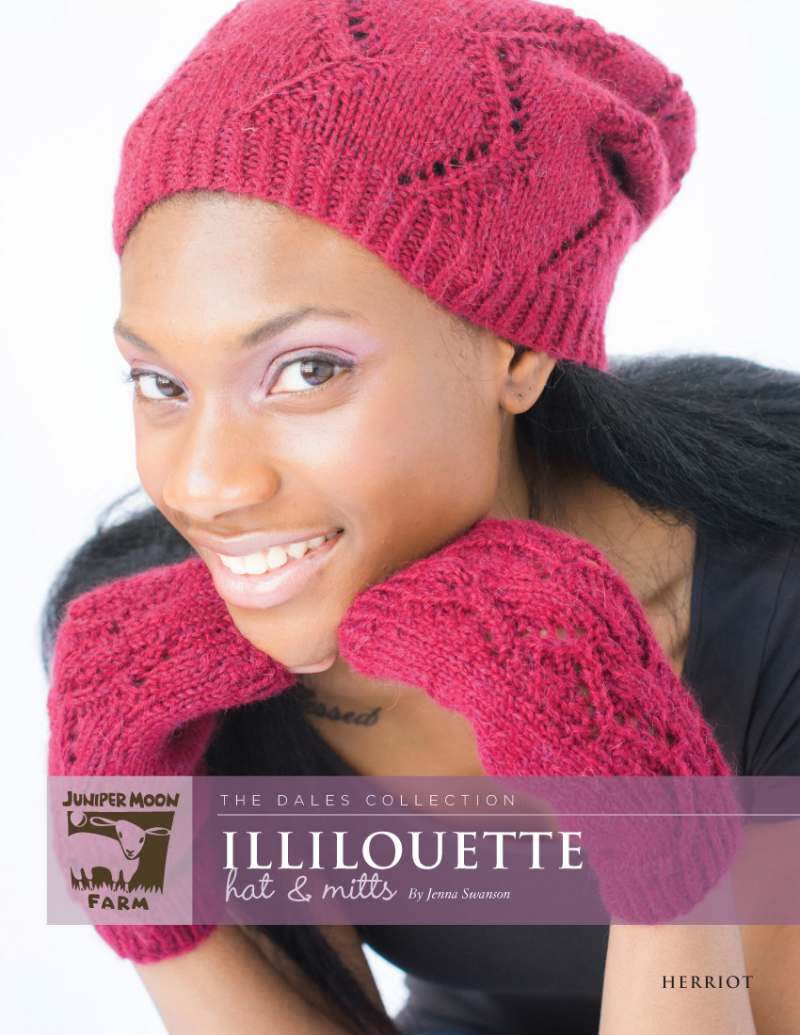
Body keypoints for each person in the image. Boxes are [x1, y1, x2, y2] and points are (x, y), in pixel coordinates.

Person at [41, 1, 800, 1033]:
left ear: (520, 350)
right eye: (160, 384)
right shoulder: (165, 659)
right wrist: (126, 870)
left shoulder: (771, 599)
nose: (208, 485)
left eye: (308, 370)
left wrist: (653, 824)